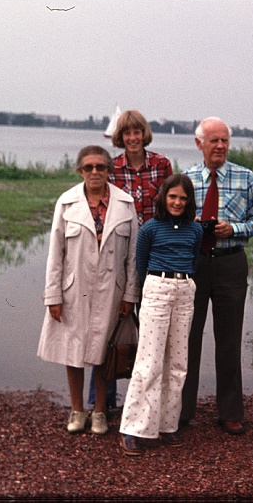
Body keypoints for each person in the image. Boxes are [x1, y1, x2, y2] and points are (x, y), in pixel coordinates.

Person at [37, 145, 140, 435]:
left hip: (112, 291)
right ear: (79, 171)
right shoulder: (66, 203)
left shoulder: (125, 204)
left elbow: (132, 256)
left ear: (109, 169)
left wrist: (130, 295)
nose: (95, 172)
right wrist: (53, 296)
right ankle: (77, 410)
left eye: (101, 167)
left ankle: (99, 412)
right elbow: (55, 253)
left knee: (103, 351)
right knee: (73, 351)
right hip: (74, 290)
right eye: (88, 167)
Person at [179, 117, 253, 435]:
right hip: (194, 265)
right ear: (198, 143)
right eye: (213, 140)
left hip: (231, 263)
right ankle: (182, 410)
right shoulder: (186, 178)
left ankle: (230, 411)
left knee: (229, 340)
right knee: (186, 339)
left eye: (224, 141)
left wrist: (235, 228)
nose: (219, 146)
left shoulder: (245, 177)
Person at [88, 109, 173, 414]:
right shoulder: (111, 168)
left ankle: (149, 402)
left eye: (137, 132)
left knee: (151, 326)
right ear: (119, 137)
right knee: (108, 326)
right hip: (119, 253)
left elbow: (170, 208)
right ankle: (100, 400)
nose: (133, 138)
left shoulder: (162, 165)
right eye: (127, 134)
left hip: (154, 255)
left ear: (144, 134)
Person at [118, 174, 203, 456]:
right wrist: (151, 291)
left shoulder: (195, 230)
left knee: (178, 362)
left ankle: (167, 424)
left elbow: (193, 259)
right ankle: (134, 428)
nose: (177, 202)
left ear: (189, 201)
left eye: (183, 198)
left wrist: (182, 284)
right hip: (157, 287)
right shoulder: (150, 229)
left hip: (184, 289)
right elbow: (141, 264)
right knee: (149, 361)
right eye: (173, 196)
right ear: (164, 198)